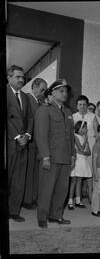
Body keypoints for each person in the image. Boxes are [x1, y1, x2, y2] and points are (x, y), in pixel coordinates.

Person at [35, 79, 76, 228]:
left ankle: (56, 215)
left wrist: (72, 155)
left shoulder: (68, 111)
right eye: (61, 91)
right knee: (46, 189)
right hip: (50, 158)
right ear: (51, 93)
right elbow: (41, 135)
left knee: (61, 190)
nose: (65, 94)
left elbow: (70, 136)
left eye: (66, 91)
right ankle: (42, 217)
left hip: (65, 157)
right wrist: (45, 156)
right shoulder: (44, 110)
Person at [7, 65, 33, 222]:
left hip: (23, 145)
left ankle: (14, 211)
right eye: (18, 77)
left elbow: (30, 117)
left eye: (22, 77)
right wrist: (17, 136)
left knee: (18, 180)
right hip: (9, 143)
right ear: (9, 77)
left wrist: (28, 135)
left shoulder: (25, 97)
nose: (21, 80)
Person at [23, 78, 47, 210]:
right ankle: (27, 200)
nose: (43, 92)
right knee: (28, 172)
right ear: (34, 87)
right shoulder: (26, 99)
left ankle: (32, 198)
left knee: (36, 172)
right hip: (30, 143)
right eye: (42, 89)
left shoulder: (39, 102)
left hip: (38, 144)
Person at [73, 95, 97, 201]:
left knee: (90, 170)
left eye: (84, 104)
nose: (82, 106)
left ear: (87, 106)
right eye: (80, 104)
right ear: (77, 106)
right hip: (77, 146)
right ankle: (77, 196)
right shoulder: (73, 117)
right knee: (77, 171)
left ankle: (91, 195)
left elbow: (97, 132)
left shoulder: (92, 116)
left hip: (90, 144)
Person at [68, 121, 92, 210]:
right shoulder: (75, 136)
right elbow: (81, 148)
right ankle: (70, 201)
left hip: (83, 161)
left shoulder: (85, 137)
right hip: (77, 160)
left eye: (86, 128)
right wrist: (85, 140)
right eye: (84, 128)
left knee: (79, 181)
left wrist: (85, 151)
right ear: (79, 128)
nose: (86, 129)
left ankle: (78, 201)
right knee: (73, 181)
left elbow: (88, 152)